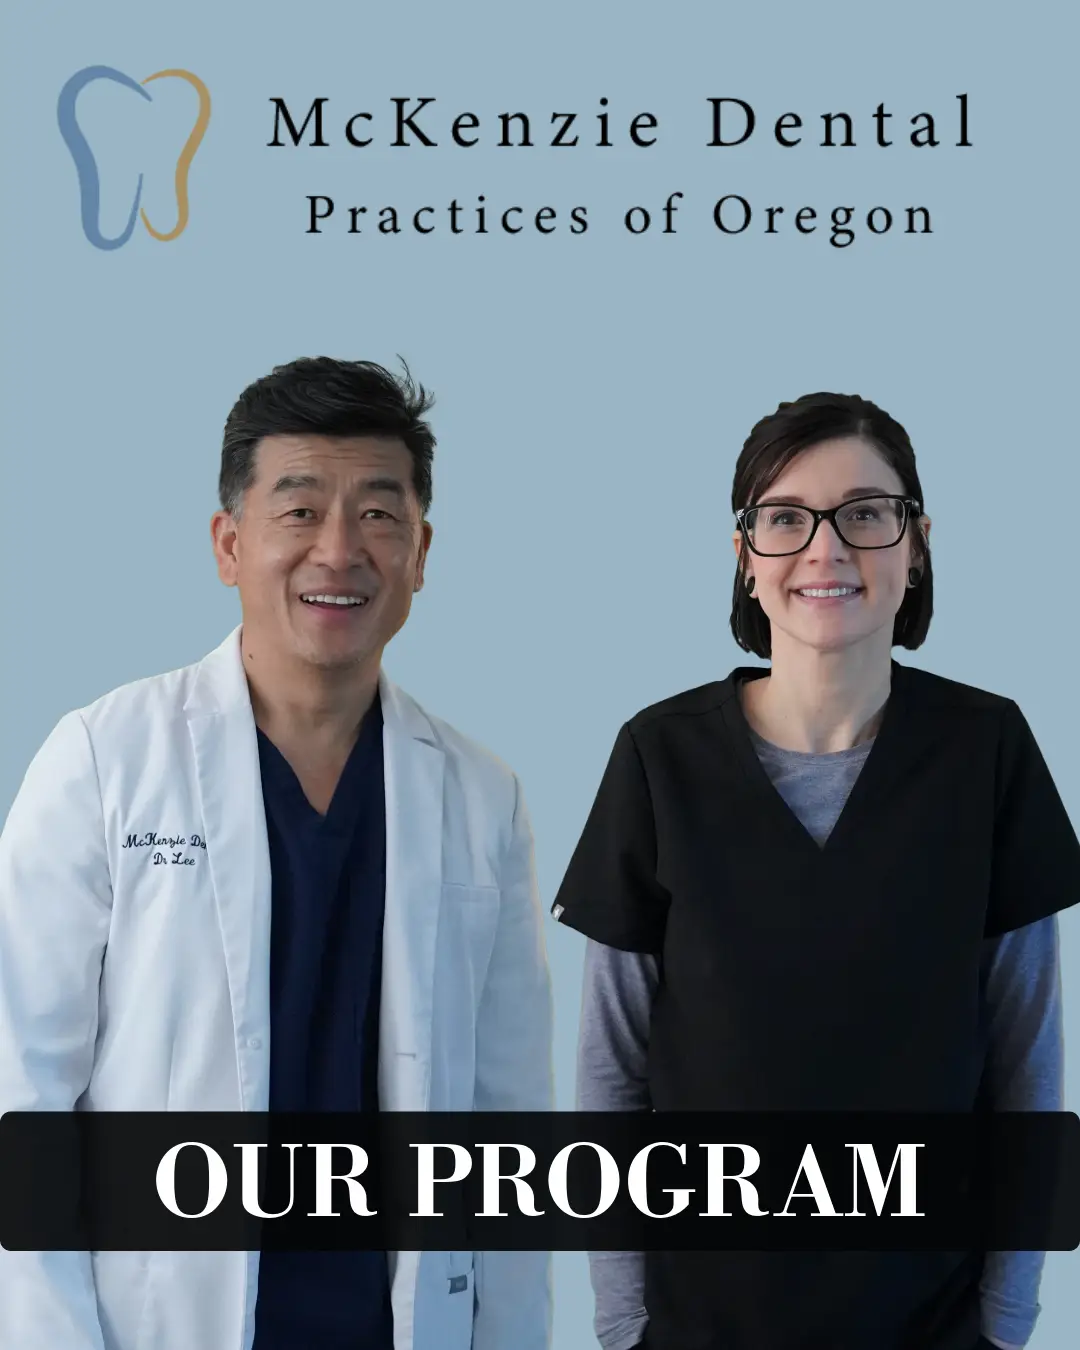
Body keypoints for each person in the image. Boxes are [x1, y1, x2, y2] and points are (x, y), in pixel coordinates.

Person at [0, 357, 554, 1350]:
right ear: (228, 543)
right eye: (299, 512)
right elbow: (21, 1096)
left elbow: (505, 1131)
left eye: (379, 515)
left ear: (421, 551)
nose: (340, 550)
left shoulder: (481, 795)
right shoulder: (103, 760)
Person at [551, 393, 1074, 1350]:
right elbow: (609, 1076)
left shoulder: (986, 750)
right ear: (746, 556)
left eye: (866, 514)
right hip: (700, 1321)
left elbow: (1027, 1070)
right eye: (786, 519)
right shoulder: (658, 758)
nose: (826, 550)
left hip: (935, 1322)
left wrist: (1008, 1318)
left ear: (915, 544)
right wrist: (623, 1319)